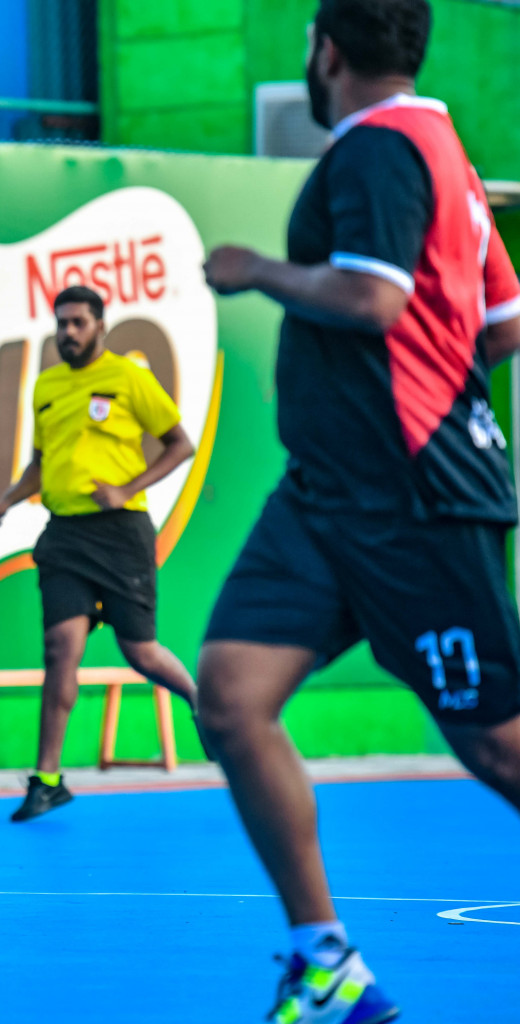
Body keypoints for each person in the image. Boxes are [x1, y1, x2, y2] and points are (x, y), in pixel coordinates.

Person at [200, 1, 520, 1019]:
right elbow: (504, 322)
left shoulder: (379, 147)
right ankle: (325, 958)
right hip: (326, 495)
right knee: (231, 696)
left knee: (497, 743)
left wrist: (257, 273)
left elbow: (374, 301)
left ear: (325, 51)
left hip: (414, 498)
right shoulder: (445, 153)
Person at [0, 285, 200, 822]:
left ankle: (200, 701)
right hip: (65, 536)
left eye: (79, 322)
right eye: (62, 323)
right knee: (60, 650)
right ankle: (48, 779)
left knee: (140, 652)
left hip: (122, 533)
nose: (69, 333)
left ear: (101, 326)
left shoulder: (130, 378)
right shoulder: (47, 385)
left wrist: (128, 489)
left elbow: (180, 443)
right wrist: (6, 501)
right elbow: (40, 460)